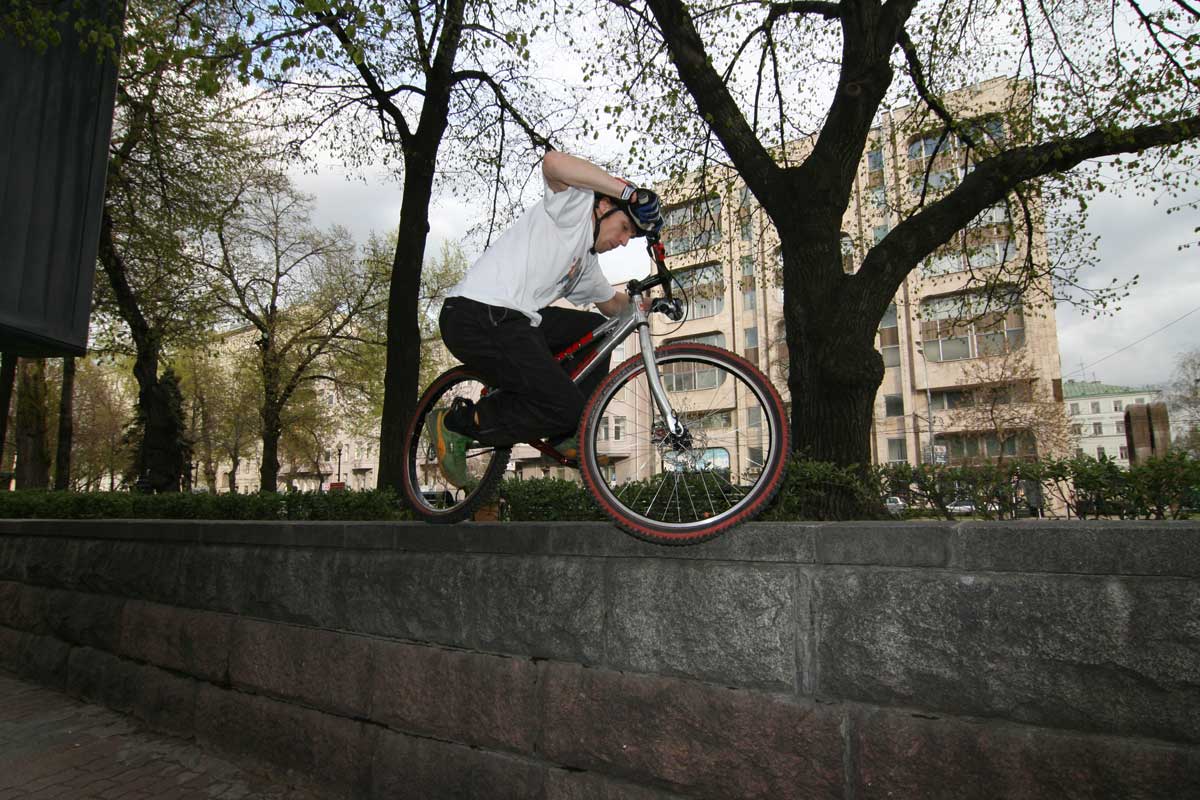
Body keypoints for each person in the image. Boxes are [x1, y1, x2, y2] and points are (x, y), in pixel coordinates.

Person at [431, 151, 663, 487]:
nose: (624, 241)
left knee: (599, 330)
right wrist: (627, 192)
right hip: (476, 313)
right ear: (603, 206)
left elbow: (613, 305)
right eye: (625, 227)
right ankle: (455, 423)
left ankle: (565, 432)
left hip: (516, 320)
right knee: (565, 407)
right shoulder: (574, 209)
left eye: (631, 237)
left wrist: (652, 305)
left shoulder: (585, 264)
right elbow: (553, 163)